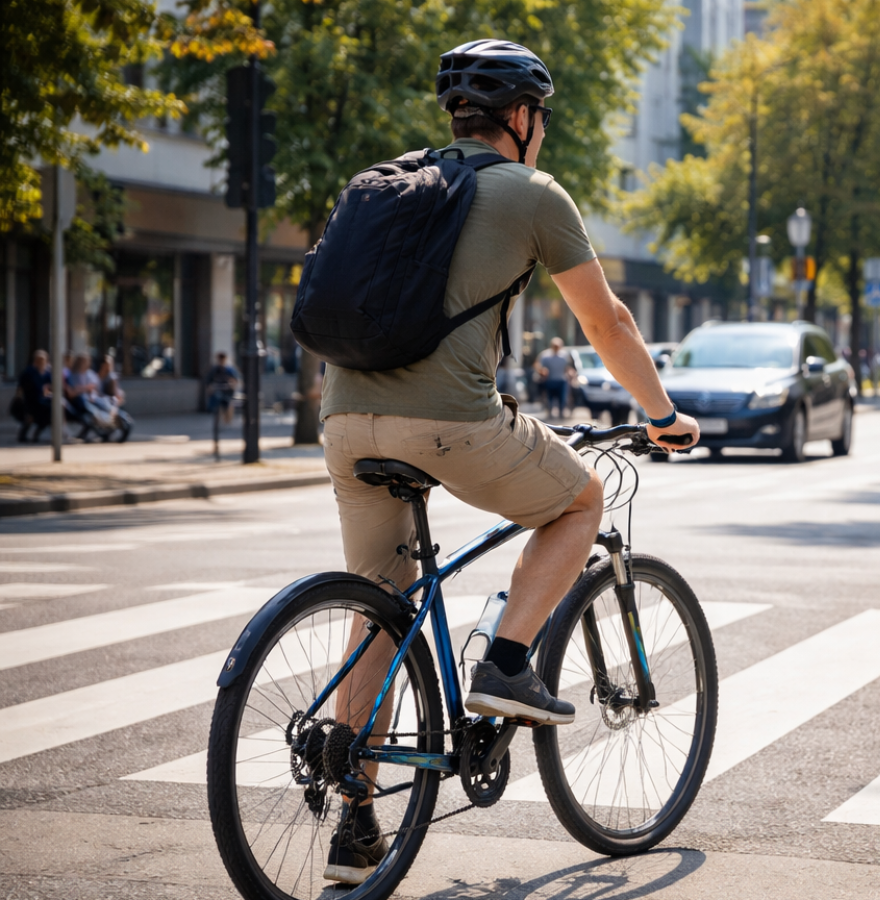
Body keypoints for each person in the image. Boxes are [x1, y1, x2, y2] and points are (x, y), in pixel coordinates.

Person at [315, 39, 700, 883]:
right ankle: (508, 665)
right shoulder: (531, 192)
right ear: (522, 118)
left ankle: (356, 824)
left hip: (343, 420)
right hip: (450, 421)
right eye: (543, 119)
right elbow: (607, 327)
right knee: (578, 501)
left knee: (382, 606)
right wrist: (663, 415)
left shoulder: (385, 182)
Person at [13, 350, 52, 443]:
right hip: (31, 400)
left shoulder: (47, 373)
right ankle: (23, 435)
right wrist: (19, 398)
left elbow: (50, 386)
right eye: (40, 360)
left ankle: (35, 434)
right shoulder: (29, 372)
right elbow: (21, 387)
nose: (42, 363)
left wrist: (47, 390)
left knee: (47, 416)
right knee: (30, 418)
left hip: (43, 400)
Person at [535, 337, 574, 418]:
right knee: (549, 398)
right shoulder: (545, 355)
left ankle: (561, 413)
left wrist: (570, 373)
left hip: (561, 380)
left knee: (562, 399)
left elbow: (568, 367)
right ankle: (550, 413)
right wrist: (542, 371)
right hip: (550, 380)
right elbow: (538, 366)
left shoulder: (564, 355)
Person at [206, 353, 240, 424]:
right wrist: (210, 387)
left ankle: (228, 420)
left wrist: (232, 384)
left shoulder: (230, 369)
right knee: (216, 399)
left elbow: (236, 380)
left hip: (228, 390)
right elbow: (208, 380)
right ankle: (219, 418)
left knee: (229, 404)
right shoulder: (215, 369)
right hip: (218, 389)